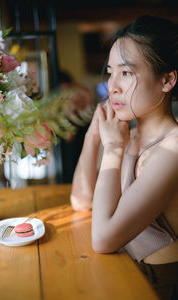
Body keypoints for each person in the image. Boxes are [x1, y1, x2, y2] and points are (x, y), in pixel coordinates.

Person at [70, 15, 178, 300]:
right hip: (120, 269)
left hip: (156, 285)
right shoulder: (126, 133)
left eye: (126, 73)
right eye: (110, 72)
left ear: (167, 79)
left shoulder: (173, 148)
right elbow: (82, 201)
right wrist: (94, 137)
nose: (112, 86)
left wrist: (114, 149)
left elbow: (103, 239)